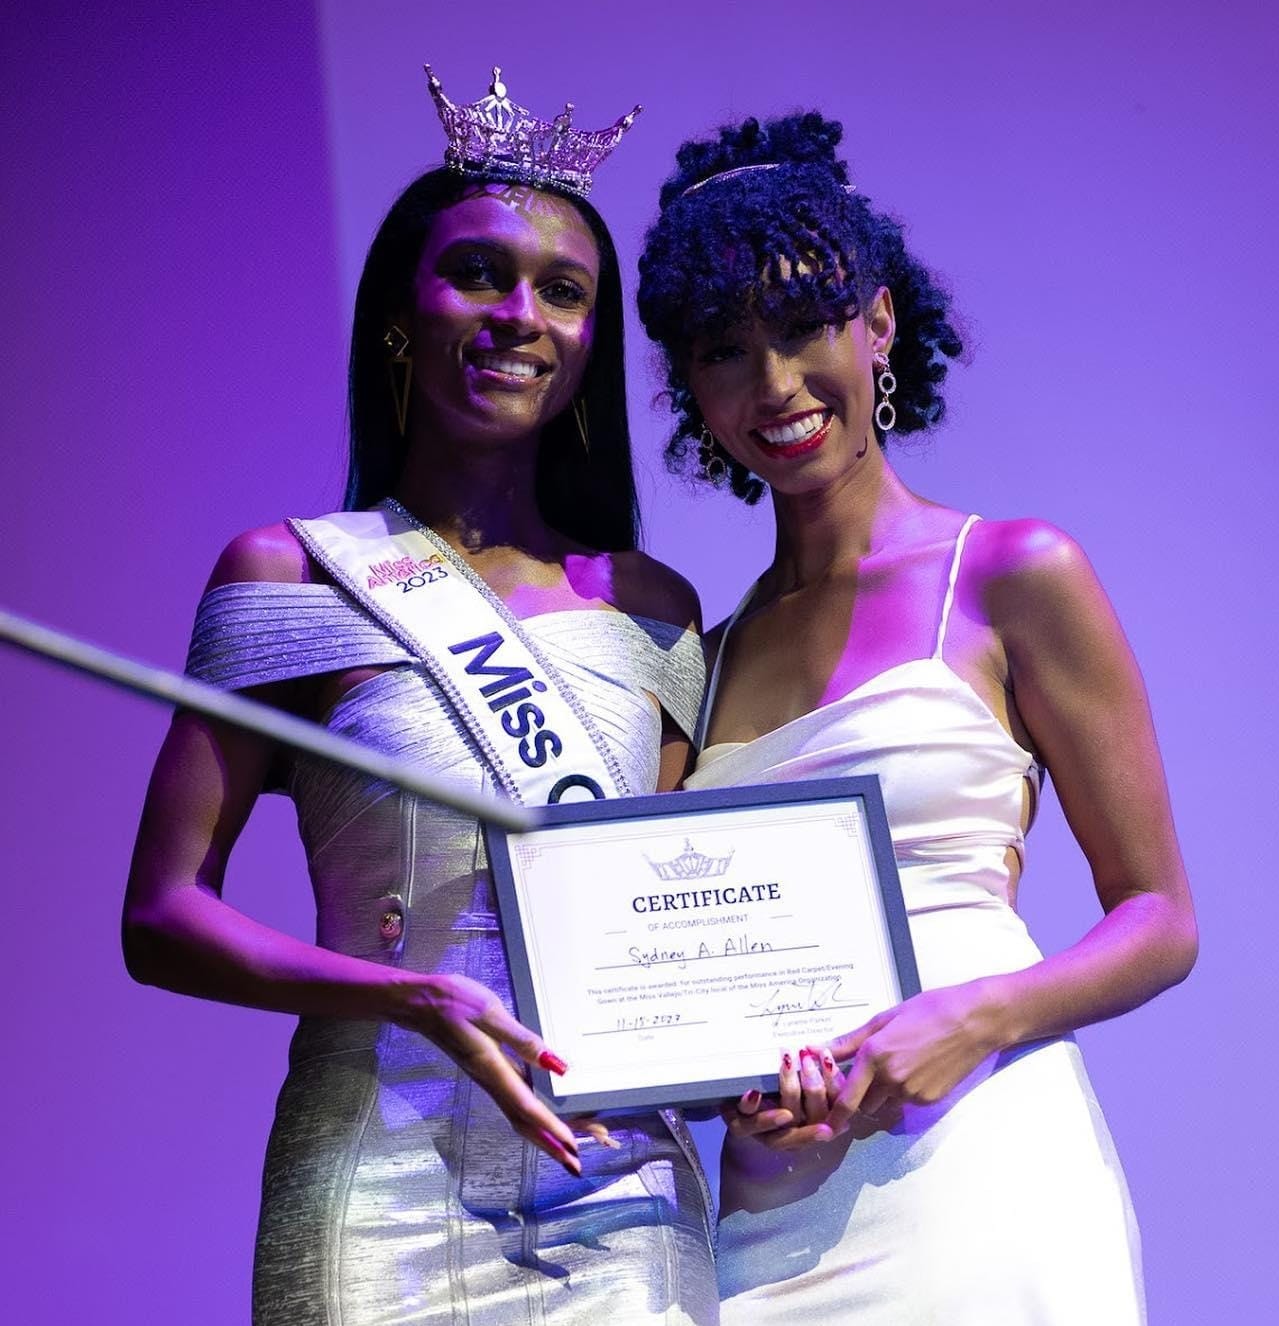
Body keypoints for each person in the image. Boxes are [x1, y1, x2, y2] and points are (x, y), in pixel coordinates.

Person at [122, 68, 718, 1325]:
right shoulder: (289, 570)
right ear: (402, 310)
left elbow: (662, 916)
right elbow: (163, 914)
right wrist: (409, 993)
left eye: (563, 291)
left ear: (593, 343)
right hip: (379, 1168)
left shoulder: (657, 604)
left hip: (613, 1174)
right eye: (479, 275)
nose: (520, 315)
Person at [636, 112, 1197, 1324]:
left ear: (877, 321)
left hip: (980, 1163)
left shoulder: (1011, 575)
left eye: (801, 328)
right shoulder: (703, 657)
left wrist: (971, 1019)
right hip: (768, 1217)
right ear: (692, 384)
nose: (774, 383)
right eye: (726, 350)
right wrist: (727, 1074)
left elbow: (1160, 918)